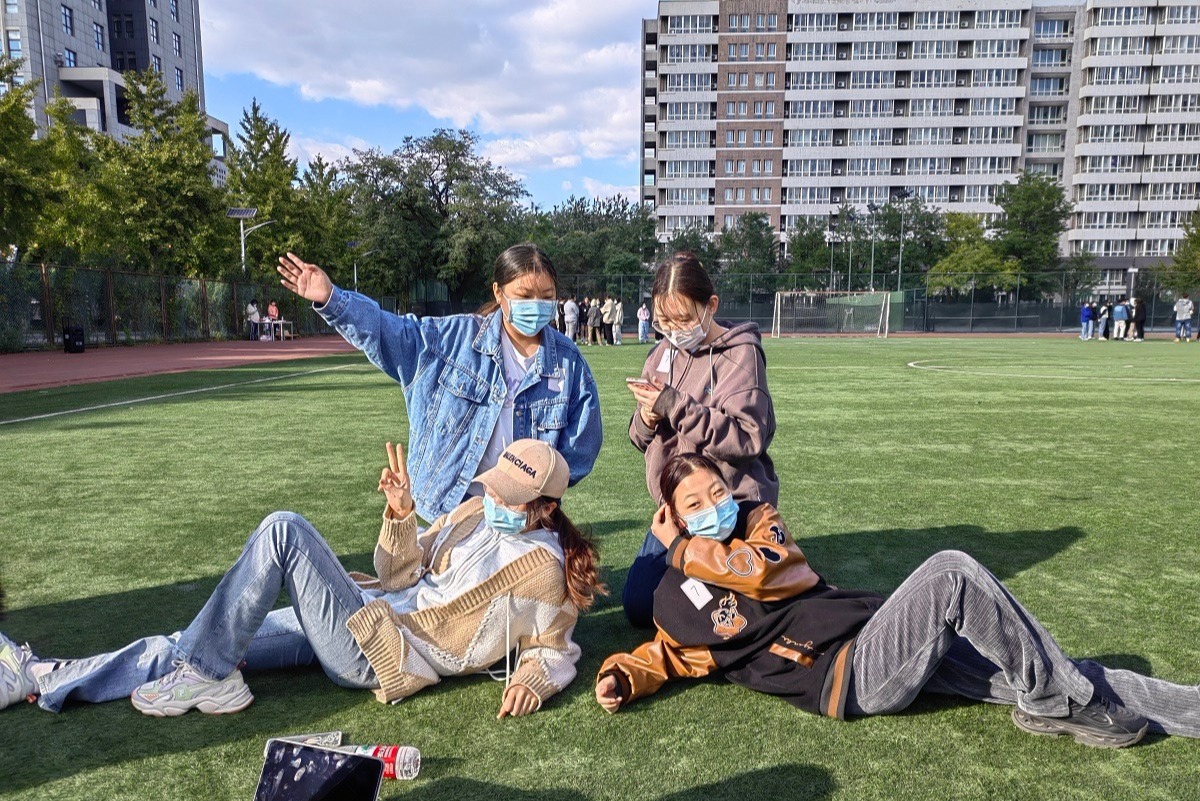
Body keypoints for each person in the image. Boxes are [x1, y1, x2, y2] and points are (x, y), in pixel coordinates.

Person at [594, 453, 1200, 748]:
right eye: (694, 503)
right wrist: (621, 674)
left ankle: (1161, 707)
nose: (714, 505)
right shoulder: (677, 593)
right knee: (952, 572)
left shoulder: (760, 523)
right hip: (847, 673)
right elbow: (669, 654)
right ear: (672, 518)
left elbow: (766, 573)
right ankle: (1053, 702)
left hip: (879, 633)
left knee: (1055, 670)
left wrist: (689, 548)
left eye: (718, 491)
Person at [0, 439, 603, 719]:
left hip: (380, 655)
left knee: (284, 530)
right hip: (363, 611)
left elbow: (556, 649)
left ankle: (208, 677)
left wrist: (534, 682)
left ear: (545, 507)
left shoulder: (544, 571)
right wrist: (401, 517)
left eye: (509, 496)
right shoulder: (473, 512)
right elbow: (398, 573)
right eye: (493, 486)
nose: (492, 498)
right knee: (202, 642)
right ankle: (46, 676)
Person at [276, 245, 602, 523]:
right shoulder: (450, 340)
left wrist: (536, 495)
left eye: (546, 297)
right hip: (447, 512)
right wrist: (332, 299)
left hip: (523, 517)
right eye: (525, 296)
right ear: (499, 293)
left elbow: (580, 448)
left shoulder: (569, 363)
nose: (536, 305)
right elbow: (388, 331)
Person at [621, 252, 777, 628]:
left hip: (729, 503)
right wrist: (645, 419)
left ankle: (746, 569)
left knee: (732, 609)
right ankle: (709, 581)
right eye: (663, 322)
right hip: (680, 508)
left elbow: (747, 439)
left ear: (711, 306)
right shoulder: (661, 354)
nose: (674, 331)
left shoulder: (741, 355)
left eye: (684, 319)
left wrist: (675, 405)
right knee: (640, 605)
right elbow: (639, 438)